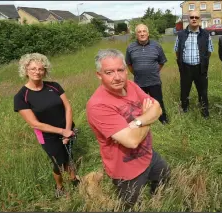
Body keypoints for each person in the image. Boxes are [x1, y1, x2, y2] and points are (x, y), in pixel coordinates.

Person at [86, 49, 170, 209]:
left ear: (126, 70)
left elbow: (157, 108)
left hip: (148, 154)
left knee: (164, 177)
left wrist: (139, 121)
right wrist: (148, 117)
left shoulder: (130, 85)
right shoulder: (98, 105)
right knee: (131, 205)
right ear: (99, 75)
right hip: (126, 169)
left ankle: (156, 201)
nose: (117, 77)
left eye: (120, 70)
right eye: (109, 72)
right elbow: (131, 141)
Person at [13, 53, 79, 198]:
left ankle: (74, 179)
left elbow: (68, 107)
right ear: (25, 70)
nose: (37, 72)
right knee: (59, 162)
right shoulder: (21, 96)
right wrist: (62, 132)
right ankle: (60, 187)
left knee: (69, 155)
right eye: (33, 69)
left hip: (68, 129)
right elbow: (34, 123)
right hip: (48, 136)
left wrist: (67, 130)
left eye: (41, 69)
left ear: (45, 70)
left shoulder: (54, 86)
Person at [126, 24, 169, 124]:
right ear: (136, 35)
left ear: (148, 33)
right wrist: (137, 73)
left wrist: (153, 71)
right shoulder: (130, 48)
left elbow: (162, 62)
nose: (142, 34)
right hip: (139, 83)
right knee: (140, 105)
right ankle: (142, 122)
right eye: (139, 32)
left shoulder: (156, 46)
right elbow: (129, 64)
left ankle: (163, 120)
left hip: (154, 81)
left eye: (144, 31)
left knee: (158, 103)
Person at [174, 10, 213, 118]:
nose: (194, 19)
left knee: (203, 91)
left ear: (199, 19)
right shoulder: (181, 34)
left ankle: (204, 112)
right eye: (192, 17)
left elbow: (209, 51)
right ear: (188, 19)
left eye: (196, 17)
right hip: (186, 68)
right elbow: (177, 50)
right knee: (184, 91)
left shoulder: (205, 34)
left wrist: (203, 61)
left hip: (200, 68)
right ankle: (184, 110)